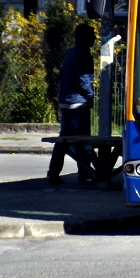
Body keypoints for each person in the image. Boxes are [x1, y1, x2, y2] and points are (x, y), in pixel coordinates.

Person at [48, 24, 97, 184]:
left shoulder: (71, 53)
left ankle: (53, 173)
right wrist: (90, 97)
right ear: (86, 38)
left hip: (65, 102)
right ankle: (85, 174)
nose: (95, 38)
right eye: (92, 35)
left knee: (64, 140)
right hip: (78, 104)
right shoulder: (85, 55)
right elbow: (84, 80)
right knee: (82, 141)